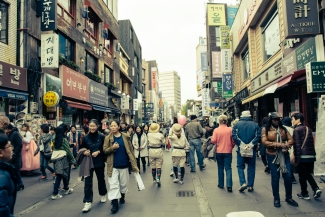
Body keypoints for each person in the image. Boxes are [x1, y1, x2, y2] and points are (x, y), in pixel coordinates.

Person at [261, 112, 298, 208]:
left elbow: (291, 140)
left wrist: (287, 146)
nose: (277, 121)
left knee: (288, 176)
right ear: (271, 120)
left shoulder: (283, 129)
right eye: (275, 119)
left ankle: (289, 197)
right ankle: (276, 198)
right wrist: (279, 144)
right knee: (275, 177)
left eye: (278, 119)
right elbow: (264, 142)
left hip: (284, 155)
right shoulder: (265, 129)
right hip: (272, 155)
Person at [103, 120, 139, 214]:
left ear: (119, 127)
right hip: (113, 165)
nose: (113, 127)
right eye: (111, 126)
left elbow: (130, 150)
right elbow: (105, 150)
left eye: (115, 126)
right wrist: (112, 148)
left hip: (124, 165)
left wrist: (134, 163)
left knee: (123, 184)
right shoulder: (107, 138)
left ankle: (122, 195)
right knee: (113, 185)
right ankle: (115, 204)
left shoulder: (126, 137)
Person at [291, 113, 322, 200]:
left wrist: (297, 159)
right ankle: (316, 189)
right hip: (311, 155)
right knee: (307, 173)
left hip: (302, 156)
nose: (292, 121)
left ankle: (304, 193)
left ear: (298, 120)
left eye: (293, 119)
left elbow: (297, 146)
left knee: (302, 175)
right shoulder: (308, 129)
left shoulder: (296, 130)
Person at [80, 119, 107, 212]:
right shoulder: (85, 138)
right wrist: (85, 152)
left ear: (97, 126)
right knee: (87, 182)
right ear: (88, 126)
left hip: (99, 161)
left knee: (101, 179)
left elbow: (105, 149)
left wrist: (99, 152)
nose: (92, 128)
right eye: (90, 126)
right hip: (88, 161)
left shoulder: (102, 136)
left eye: (93, 126)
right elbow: (81, 149)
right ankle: (87, 202)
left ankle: (103, 193)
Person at [232, 110, 261, 193]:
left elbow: (234, 136)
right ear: (250, 116)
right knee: (251, 167)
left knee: (240, 166)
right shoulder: (255, 125)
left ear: (241, 116)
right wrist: (250, 145)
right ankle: (250, 186)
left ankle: (243, 182)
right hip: (252, 149)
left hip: (240, 150)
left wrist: (242, 145)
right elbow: (258, 136)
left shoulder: (237, 125)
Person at [211, 115, 235, 192]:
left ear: (219, 121)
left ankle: (221, 184)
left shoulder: (216, 130)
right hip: (228, 151)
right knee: (228, 168)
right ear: (226, 121)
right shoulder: (230, 129)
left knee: (220, 168)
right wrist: (231, 146)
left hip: (219, 151)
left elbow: (213, 140)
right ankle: (229, 186)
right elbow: (233, 140)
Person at [0, 116, 24, 191]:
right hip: (11, 157)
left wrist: (14, 153)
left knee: (14, 170)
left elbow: (19, 145)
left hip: (15, 157)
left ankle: (19, 184)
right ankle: (19, 184)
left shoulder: (15, 134)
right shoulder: (6, 134)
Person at [51, 126, 74, 200]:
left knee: (60, 175)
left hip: (56, 159)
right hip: (63, 159)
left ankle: (66, 188)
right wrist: (73, 159)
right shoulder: (64, 140)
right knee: (61, 175)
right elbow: (68, 150)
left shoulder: (54, 140)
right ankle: (55, 193)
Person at [0, 134, 19, 217]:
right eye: (9, 146)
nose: (12, 148)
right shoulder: (2, 175)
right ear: (0, 152)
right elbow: (2, 209)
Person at [281, 117, 297, 183]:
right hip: (291, 147)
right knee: (290, 162)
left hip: (283, 147)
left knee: (283, 162)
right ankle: (291, 176)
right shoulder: (292, 130)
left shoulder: (282, 129)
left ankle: (289, 176)